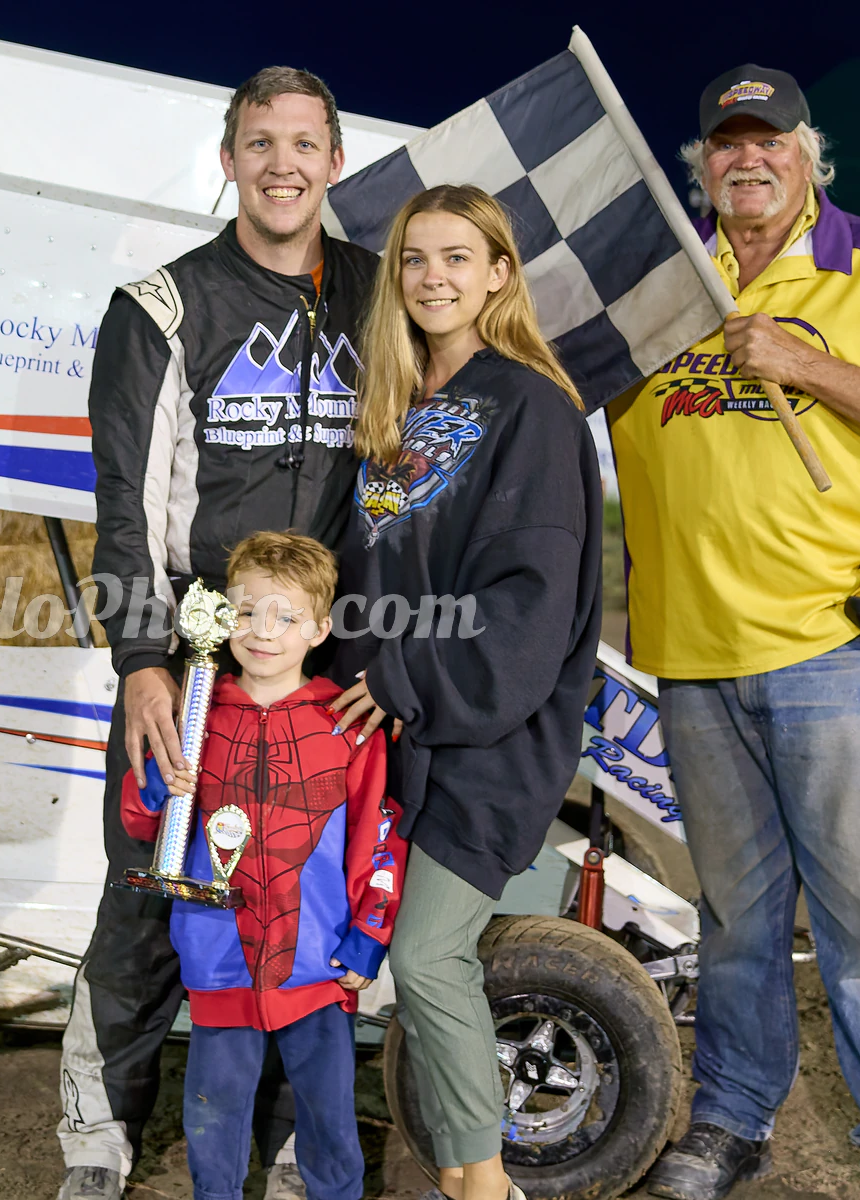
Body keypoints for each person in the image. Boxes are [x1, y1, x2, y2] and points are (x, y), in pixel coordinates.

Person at [59, 66, 378, 1200]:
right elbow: (125, 506)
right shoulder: (162, 306)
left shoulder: (382, 294)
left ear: (335, 160)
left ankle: (296, 1143)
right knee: (148, 893)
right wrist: (143, 663)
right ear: (230, 159)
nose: (283, 165)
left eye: (304, 144)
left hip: (329, 657)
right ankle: (99, 1138)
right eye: (260, 144)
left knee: (313, 891)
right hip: (198, 662)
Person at [604, 66, 860, 1200]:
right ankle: (732, 1119)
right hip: (693, 661)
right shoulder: (660, 289)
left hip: (829, 650)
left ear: (809, 155)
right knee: (738, 921)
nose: (747, 158)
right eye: (726, 143)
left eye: (769, 141)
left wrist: (803, 363)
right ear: (701, 164)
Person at [329, 184, 603, 1200]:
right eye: (414, 259)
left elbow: (530, 609)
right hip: (384, 735)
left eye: (457, 258)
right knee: (361, 950)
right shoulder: (391, 406)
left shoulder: (533, 409)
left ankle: (482, 1185)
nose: (432, 277)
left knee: (429, 954)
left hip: (487, 733)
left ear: (498, 275)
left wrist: (404, 674)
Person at [120, 531, 405, 1200]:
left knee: (329, 1120)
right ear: (222, 617)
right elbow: (141, 821)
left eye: (286, 616)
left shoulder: (347, 725)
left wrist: (369, 936)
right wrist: (158, 783)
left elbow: (382, 839)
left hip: (317, 966)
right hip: (218, 958)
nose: (263, 631)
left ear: (320, 629)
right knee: (213, 1114)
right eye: (247, 612)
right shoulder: (196, 713)